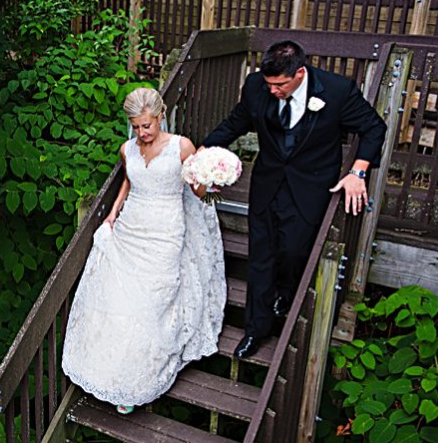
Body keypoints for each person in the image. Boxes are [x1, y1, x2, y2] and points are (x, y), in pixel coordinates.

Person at [202, 40, 387, 359]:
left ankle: (285, 298)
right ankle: (254, 330)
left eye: (279, 85)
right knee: (260, 255)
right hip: (268, 183)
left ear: (300, 73)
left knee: (294, 250)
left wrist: (357, 173)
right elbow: (236, 121)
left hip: (312, 186)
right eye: (268, 83)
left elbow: (373, 128)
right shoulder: (256, 86)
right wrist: (206, 149)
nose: (272, 90)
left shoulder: (337, 90)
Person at [61, 87, 227, 414]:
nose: (142, 133)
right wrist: (111, 216)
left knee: (153, 302)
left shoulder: (181, 146)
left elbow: (197, 191)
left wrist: (209, 176)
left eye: (147, 125)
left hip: (165, 231)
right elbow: (128, 180)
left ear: (161, 116)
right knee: (120, 299)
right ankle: (111, 372)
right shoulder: (128, 149)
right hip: (131, 226)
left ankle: (142, 378)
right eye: (136, 126)